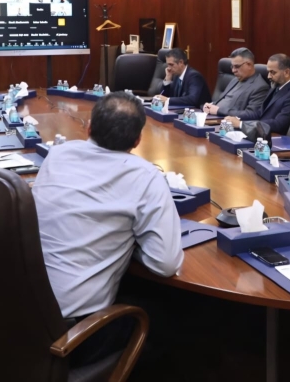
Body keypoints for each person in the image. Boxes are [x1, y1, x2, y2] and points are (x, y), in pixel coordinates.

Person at [32, 91, 184, 367]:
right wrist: (129, 242)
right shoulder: (146, 176)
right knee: (174, 317)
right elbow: (165, 264)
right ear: (138, 140)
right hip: (71, 338)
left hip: (19, 316)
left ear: (88, 128)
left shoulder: (58, 155)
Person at [223, 53, 290, 135]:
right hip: (259, 131)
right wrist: (235, 118)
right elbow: (259, 113)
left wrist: (242, 124)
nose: (269, 76)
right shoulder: (277, 85)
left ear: (286, 72)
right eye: (268, 72)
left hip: (273, 136)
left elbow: (279, 124)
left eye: (273, 72)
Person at [203, 47, 269, 117]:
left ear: (249, 65)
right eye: (232, 66)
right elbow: (222, 100)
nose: (233, 70)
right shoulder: (235, 80)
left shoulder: (260, 87)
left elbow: (252, 114)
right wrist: (210, 105)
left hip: (226, 120)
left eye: (237, 66)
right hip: (212, 116)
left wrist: (218, 110)